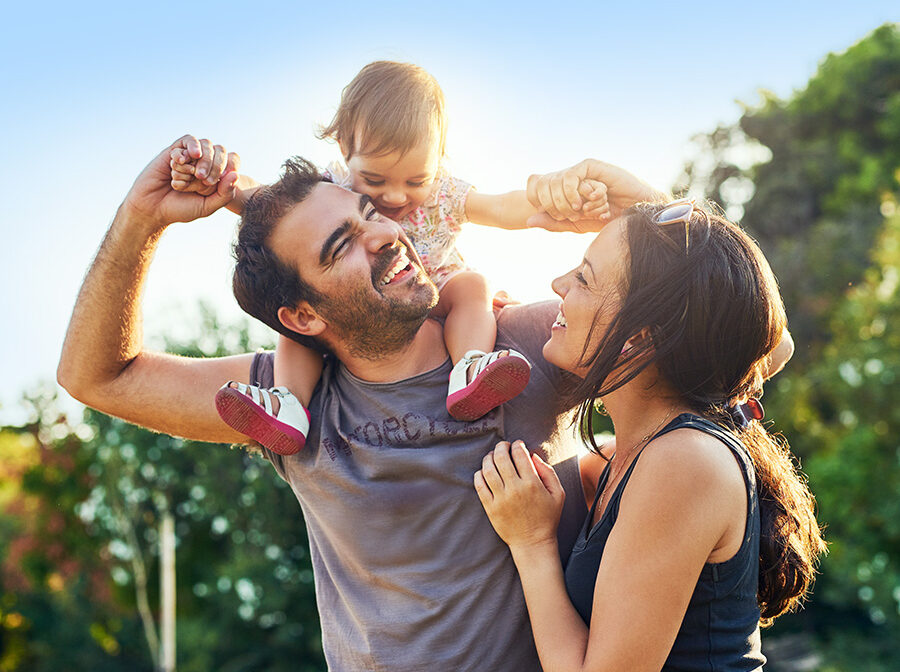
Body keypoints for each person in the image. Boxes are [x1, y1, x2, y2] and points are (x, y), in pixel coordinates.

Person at [58, 137, 655, 671]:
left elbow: (708, 316)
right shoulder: (286, 403)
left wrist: (647, 206)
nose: (385, 235)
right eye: (342, 245)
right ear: (303, 317)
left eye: (368, 214)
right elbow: (98, 376)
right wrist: (142, 218)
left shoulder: (526, 345)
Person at [169, 61, 610, 455]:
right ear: (344, 148)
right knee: (303, 323)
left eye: (416, 179)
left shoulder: (443, 194)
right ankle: (288, 403)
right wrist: (213, 177)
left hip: (433, 291)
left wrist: (553, 203)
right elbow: (259, 198)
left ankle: (470, 366)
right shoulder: (331, 190)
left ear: (439, 160)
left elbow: (500, 207)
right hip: (364, 305)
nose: (396, 196)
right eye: (375, 179)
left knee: (472, 286)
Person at [474, 185, 825, 671]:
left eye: (584, 278)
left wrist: (532, 545)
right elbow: (756, 335)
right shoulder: (632, 456)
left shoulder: (684, 462)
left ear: (639, 336)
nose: (558, 283)